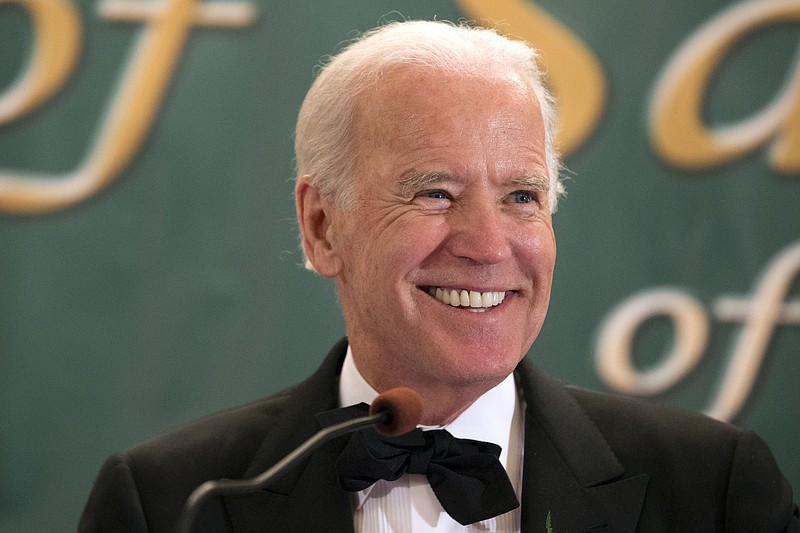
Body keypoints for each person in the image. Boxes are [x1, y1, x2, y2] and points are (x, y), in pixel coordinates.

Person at [78, 20, 799, 533]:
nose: (489, 245)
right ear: (322, 225)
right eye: (435, 194)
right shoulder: (170, 503)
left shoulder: (713, 489)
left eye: (523, 196)